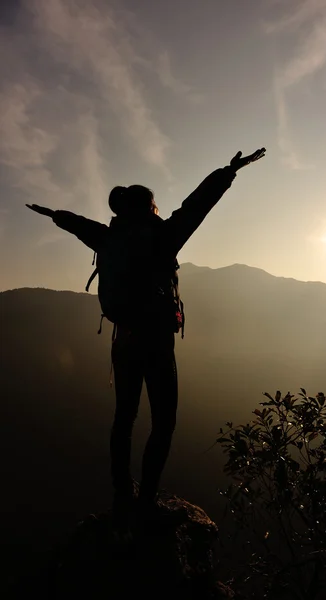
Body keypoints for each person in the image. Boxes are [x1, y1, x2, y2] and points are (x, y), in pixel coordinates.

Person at [26, 147, 266, 526]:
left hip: (123, 340)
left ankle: (123, 494)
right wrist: (228, 172)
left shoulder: (107, 238)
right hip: (156, 342)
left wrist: (54, 214)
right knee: (163, 422)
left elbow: (78, 223)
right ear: (151, 206)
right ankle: (147, 501)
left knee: (124, 418)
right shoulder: (165, 236)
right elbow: (197, 204)